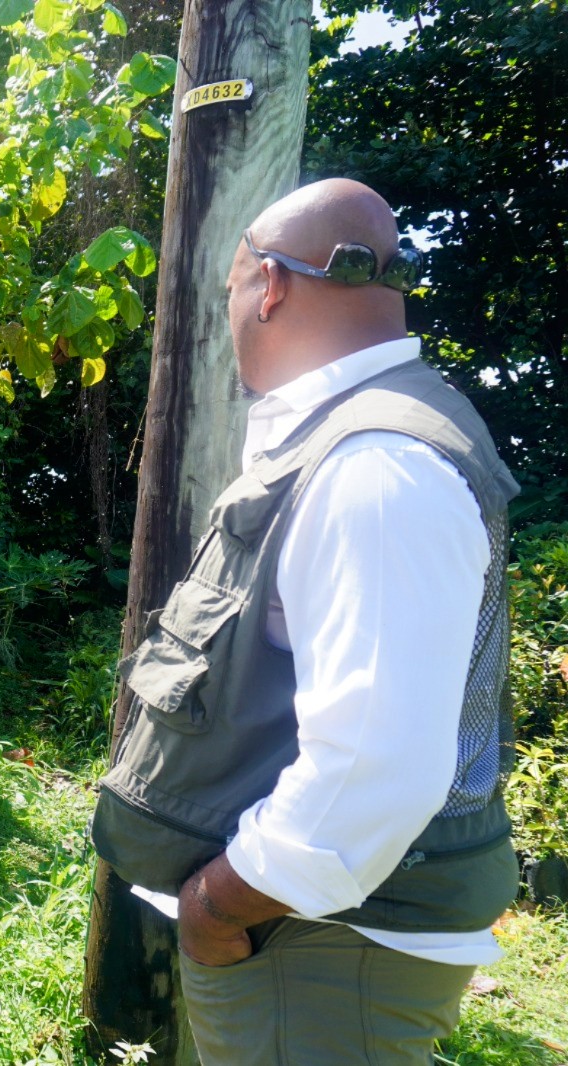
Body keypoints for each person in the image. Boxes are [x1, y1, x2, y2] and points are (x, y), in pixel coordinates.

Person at [90, 179, 519, 1064]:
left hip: (321, 946)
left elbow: (373, 775)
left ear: (271, 287)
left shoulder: (378, 468)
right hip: (315, 934)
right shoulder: (369, 439)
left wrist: (215, 908)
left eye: (232, 289)